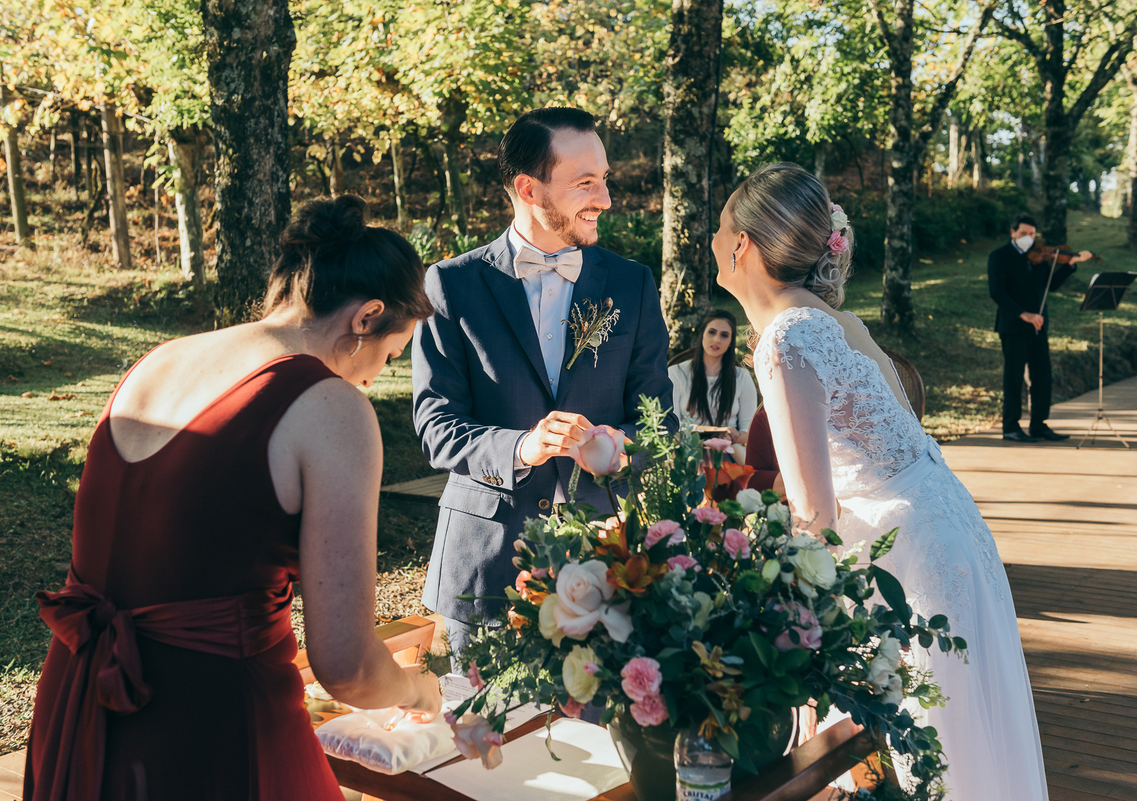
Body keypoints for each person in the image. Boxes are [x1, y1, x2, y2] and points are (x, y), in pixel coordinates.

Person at [24, 196, 444, 801]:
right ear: (367, 317)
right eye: (389, 354)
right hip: (211, 723)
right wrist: (417, 688)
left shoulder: (158, 361)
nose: (373, 376)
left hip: (79, 701)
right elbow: (348, 665)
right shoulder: (333, 409)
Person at [712, 163, 1047, 800]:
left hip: (909, 560)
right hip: (945, 528)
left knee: (920, 747)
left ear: (742, 245)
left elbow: (814, 517)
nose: (713, 238)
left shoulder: (784, 339)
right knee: (962, 737)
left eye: (721, 226)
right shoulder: (831, 320)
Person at [412, 107, 675, 665]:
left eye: (604, 179)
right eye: (585, 183)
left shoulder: (632, 284)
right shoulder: (451, 285)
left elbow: (659, 421)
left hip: (606, 565)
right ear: (529, 188)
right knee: (483, 719)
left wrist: (618, 446)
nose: (605, 199)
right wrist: (521, 447)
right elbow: (435, 427)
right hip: (486, 569)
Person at [988, 212, 1092, 442]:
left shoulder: (1038, 258)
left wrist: (1070, 265)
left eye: (1033, 234)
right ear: (1013, 232)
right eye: (1024, 233)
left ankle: (1039, 425)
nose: (1029, 237)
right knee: (1014, 378)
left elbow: (1050, 286)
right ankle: (1011, 427)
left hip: (1038, 326)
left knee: (1042, 377)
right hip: (1013, 327)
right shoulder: (999, 256)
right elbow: (997, 292)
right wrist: (1023, 314)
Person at [668, 309, 758, 446]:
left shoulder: (742, 377)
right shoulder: (676, 373)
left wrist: (731, 437)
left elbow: (749, 432)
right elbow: (672, 425)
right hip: (688, 448)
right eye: (711, 332)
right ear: (702, 334)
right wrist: (716, 432)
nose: (717, 339)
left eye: (724, 335)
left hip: (729, 448)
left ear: (731, 341)